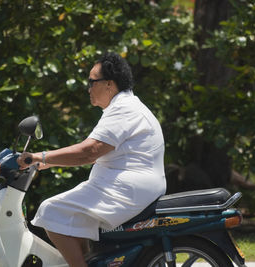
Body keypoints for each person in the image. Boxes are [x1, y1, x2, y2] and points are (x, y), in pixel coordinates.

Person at [17, 52, 166, 267]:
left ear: (108, 84)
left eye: (91, 81)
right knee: (69, 217)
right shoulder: (124, 106)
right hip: (128, 186)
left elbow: (89, 152)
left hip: (127, 188)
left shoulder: (123, 109)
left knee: (50, 212)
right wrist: (44, 162)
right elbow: (94, 152)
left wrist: (38, 156)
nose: (88, 88)